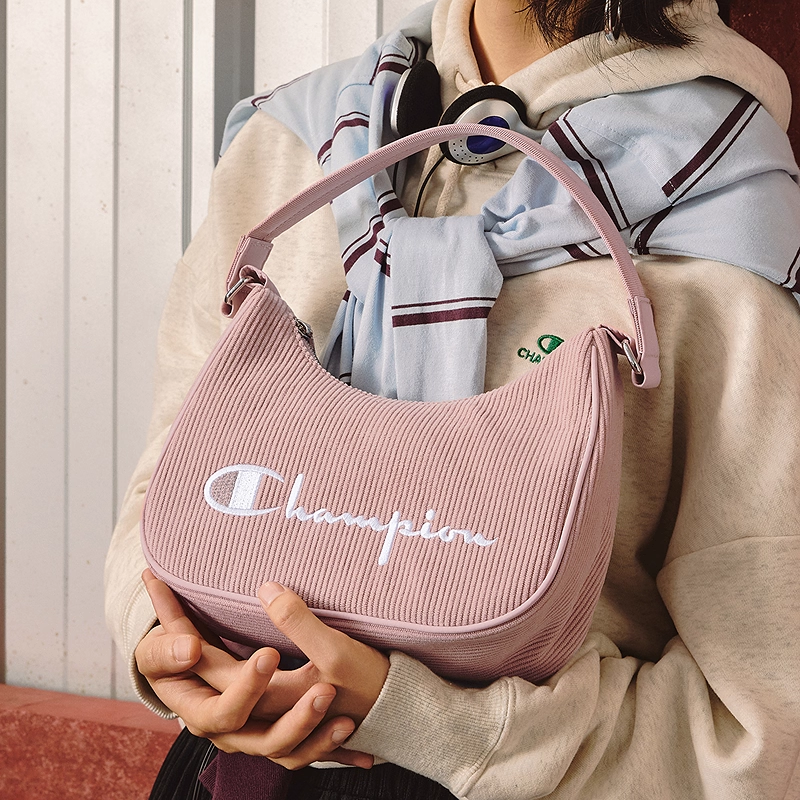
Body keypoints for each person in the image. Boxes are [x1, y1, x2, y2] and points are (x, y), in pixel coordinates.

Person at [105, 0, 800, 798]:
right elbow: (166, 490)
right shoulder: (294, 141)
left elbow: (760, 735)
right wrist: (164, 644)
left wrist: (432, 720)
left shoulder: (726, 227)